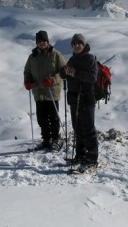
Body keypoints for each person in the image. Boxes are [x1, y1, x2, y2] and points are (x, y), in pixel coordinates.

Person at [60, 33, 99, 169]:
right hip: (74, 98)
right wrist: (64, 71)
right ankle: (81, 155)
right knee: (78, 129)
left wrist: (74, 73)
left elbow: (92, 78)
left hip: (86, 99)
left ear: (83, 44)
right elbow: (63, 74)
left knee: (88, 129)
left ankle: (92, 158)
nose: (77, 46)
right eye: (74, 44)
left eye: (79, 43)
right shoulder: (73, 59)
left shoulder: (89, 59)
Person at [24, 30, 66, 151]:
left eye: (44, 41)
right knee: (41, 118)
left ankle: (56, 139)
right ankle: (46, 140)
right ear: (36, 43)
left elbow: (63, 72)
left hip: (52, 91)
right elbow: (27, 71)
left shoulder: (56, 55)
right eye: (40, 41)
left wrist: (53, 80)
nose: (42, 43)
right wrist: (27, 81)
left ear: (48, 41)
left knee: (53, 118)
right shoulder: (32, 57)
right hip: (38, 92)